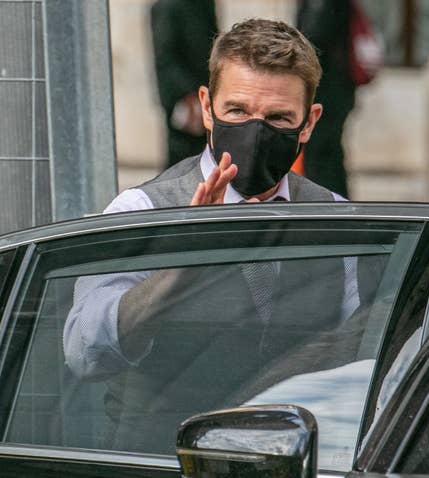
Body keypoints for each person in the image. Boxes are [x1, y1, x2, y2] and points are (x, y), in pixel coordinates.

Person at [64, 18, 365, 454]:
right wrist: (176, 271)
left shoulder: (336, 220)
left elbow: (362, 349)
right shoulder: (142, 211)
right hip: (164, 460)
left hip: (289, 459)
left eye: (279, 118)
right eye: (237, 112)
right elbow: (84, 351)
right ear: (207, 107)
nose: (256, 132)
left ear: (309, 122)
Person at [296, 0, 356, 198]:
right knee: (327, 155)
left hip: (326, 88)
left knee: (322, 156)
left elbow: (314, 36)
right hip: (334, 86)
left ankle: (330, 210)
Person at [150, 0, 217, 166]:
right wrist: (189, 94)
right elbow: (165, 59)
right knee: (181, 161)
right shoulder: (167, 7)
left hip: (206, 94)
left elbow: (215, 47)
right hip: (183, 100)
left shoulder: (204, 4)